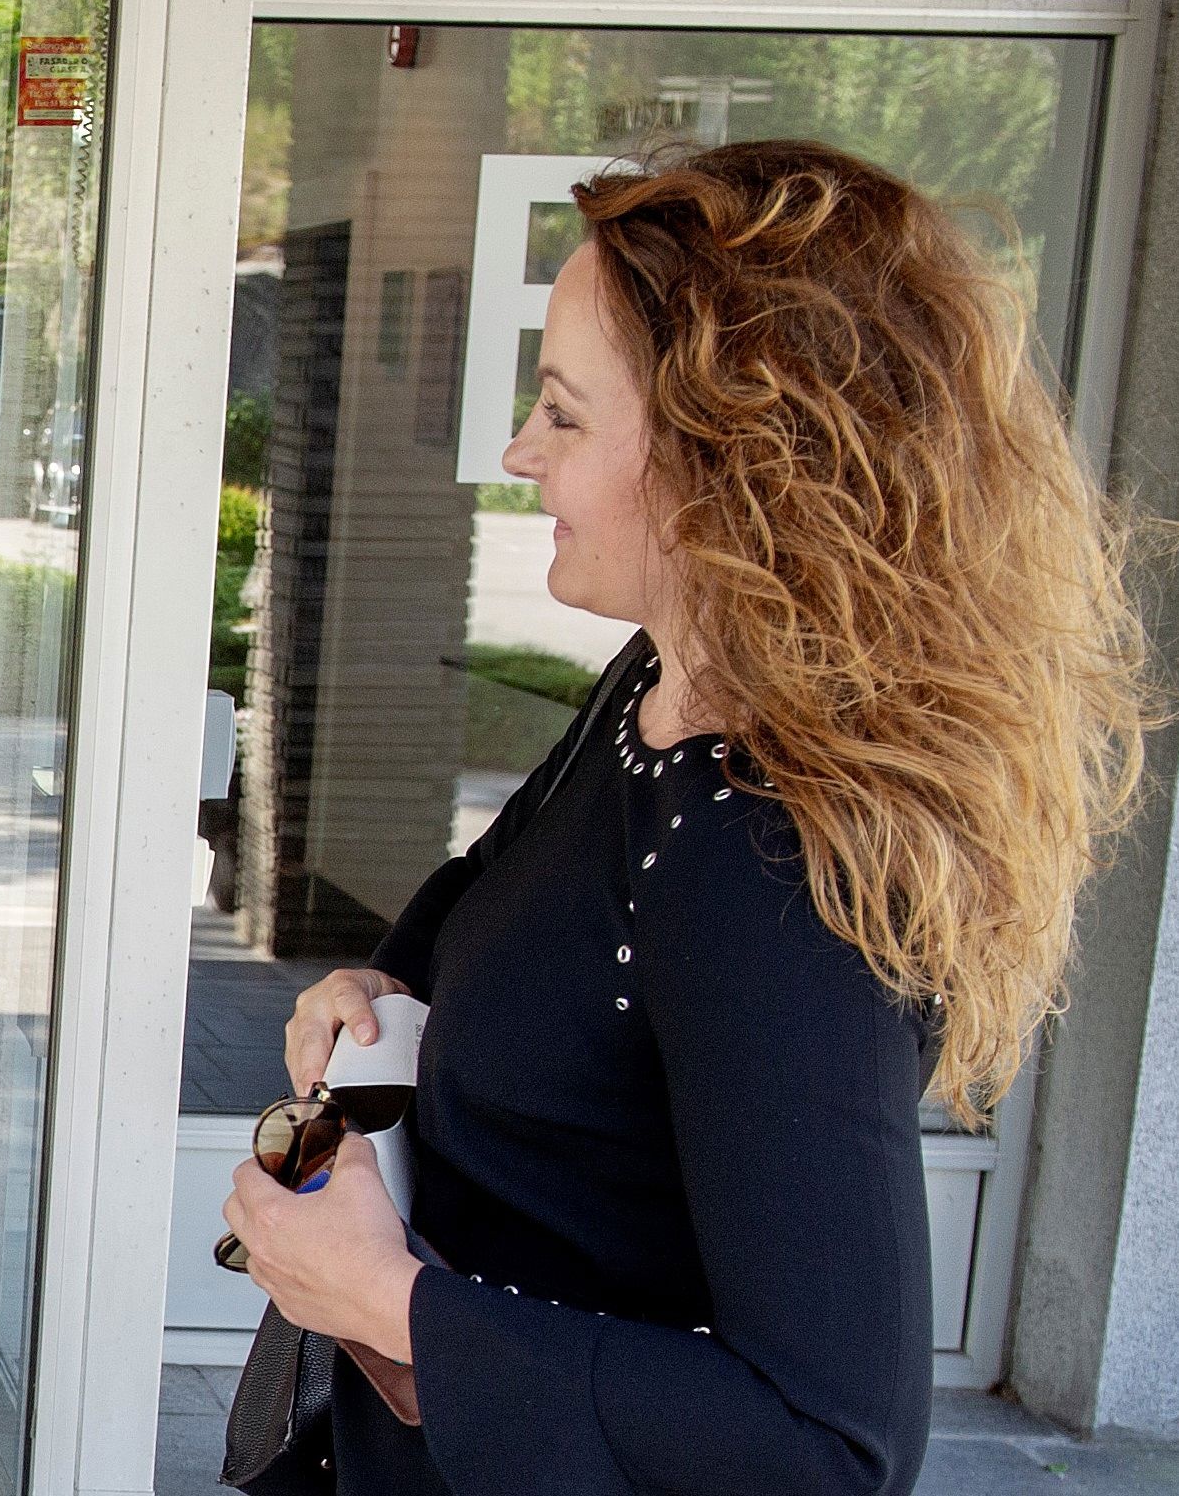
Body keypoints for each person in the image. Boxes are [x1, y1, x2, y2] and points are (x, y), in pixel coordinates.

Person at [218, 141, 1148, 1495]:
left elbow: (825, 1440)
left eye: (564, 413)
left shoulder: (767, 859)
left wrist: (381, 1298)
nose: (517, 451)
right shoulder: (653, 690)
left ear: (734, 458)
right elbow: (512, 890)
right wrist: (386, 980)